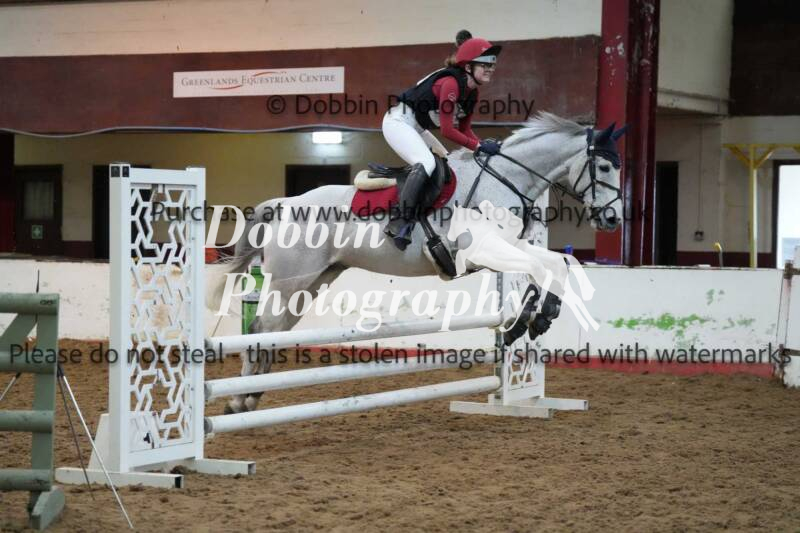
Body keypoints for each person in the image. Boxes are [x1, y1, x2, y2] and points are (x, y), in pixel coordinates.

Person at [382, 30, 503, 250]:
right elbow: (447, 131)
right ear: (468, 67)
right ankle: (399, 222)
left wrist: (482, 147)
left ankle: (430, 217)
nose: (490, 69)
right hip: (398, 122)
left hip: (417, 127)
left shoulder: (472, 92)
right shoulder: (451, 84)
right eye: (484, 64)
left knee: (447, 163)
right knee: (427, 163)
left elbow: (464, 129)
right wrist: (478, 146)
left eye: (492, 64)